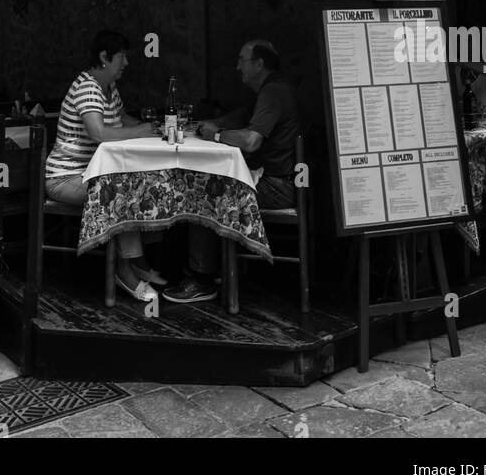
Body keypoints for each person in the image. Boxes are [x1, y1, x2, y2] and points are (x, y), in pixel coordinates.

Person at [163, 39, 300, 304]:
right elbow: (242, 116)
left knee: (200, 191)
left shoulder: (273, 93)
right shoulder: (272, 90)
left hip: (276, 186)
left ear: (259, 64)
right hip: (274, 179)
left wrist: (217, 136)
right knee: (205, 181)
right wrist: (212, 124)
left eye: (241, 60)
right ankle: (210, 269)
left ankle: (202, 279)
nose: (237, 67)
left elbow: (251, 140)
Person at [45, 29, 165, 302]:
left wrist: (156, 129)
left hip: (95, 174)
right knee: (121, 194)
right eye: (122, 57)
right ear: (104, 57)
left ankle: (138, 264)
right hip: (66, 178)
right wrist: (143, 130)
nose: (126, 63)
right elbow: (99, 133)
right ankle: (126, 271)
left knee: (147, 184)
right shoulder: (87, 87)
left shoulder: (109, 88)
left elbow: (122, 119)